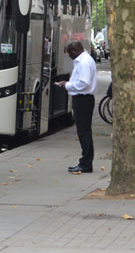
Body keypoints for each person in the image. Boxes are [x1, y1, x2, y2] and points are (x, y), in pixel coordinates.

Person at [55, 41, 97, 173]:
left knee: (84, 132)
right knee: (84, 131)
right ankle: (85, 162)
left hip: (82, 99)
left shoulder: (84, 62)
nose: (70, 57)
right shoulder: (84, 59)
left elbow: (83, 83)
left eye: (69, 54)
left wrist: (67, 85)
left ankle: (86, 163)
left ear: (74, 52)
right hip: (83, 98)